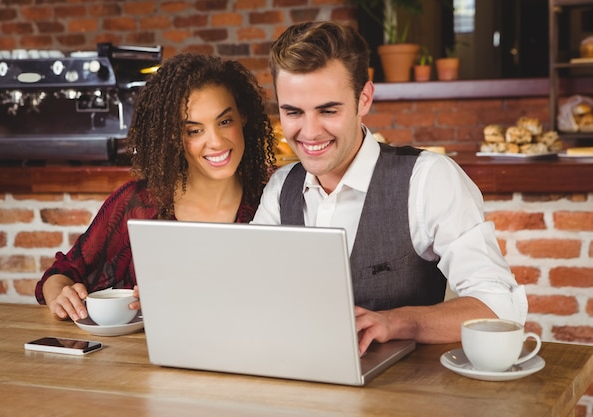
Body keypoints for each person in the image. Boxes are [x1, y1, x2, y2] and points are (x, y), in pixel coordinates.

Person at [253, 21, 528, 355]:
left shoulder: (427, 179)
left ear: (364, 98)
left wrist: (397, 322)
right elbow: (254, 296)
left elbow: (501, 307)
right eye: (293, 112)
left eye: (328, 110)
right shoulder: (280, 189)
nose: (309, 132)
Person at [36, 53, 276, 321]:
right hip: (145, 360)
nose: (216, 142)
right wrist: (61, 294)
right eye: (194, 130)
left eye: (224, 122)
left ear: (242, 117)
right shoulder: (138, 204)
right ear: (174, 136)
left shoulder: (274, 199)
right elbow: (62, 273)